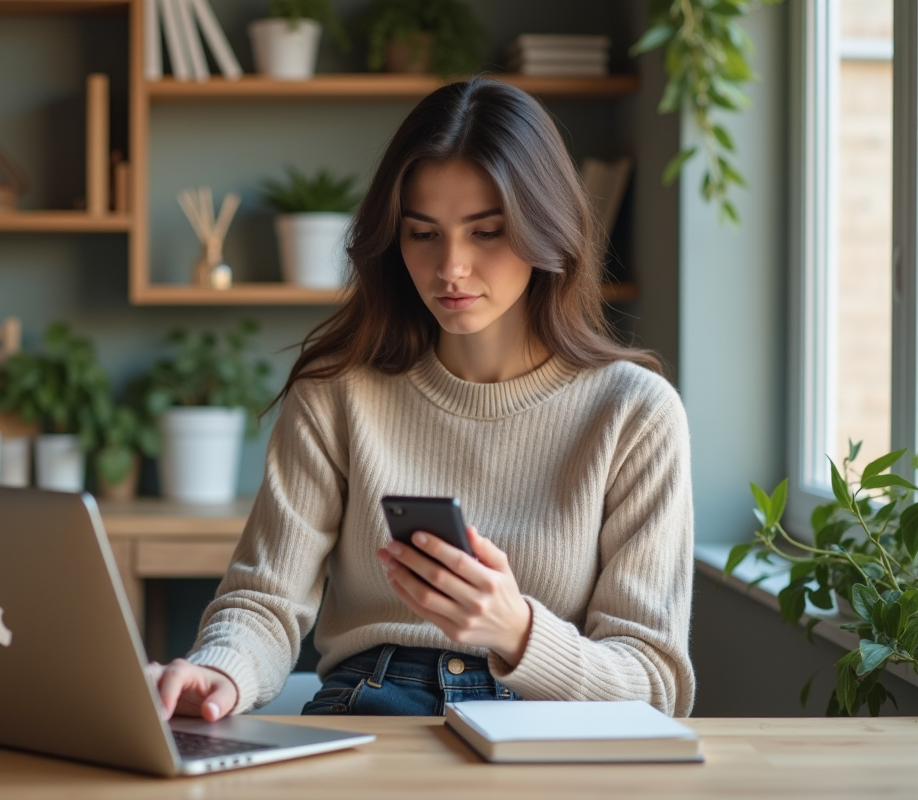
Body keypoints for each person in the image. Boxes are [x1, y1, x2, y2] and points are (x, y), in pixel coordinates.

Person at [148, 76, 695, 720]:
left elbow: (654, 684)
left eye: (486, 232)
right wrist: (220, 670)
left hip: (548, 721)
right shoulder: (338, 391)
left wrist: (516, 631)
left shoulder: (636, 412)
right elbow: (265, 602)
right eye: (423, 233)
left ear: (546, 229)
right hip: (371, 702)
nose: (450, 268)